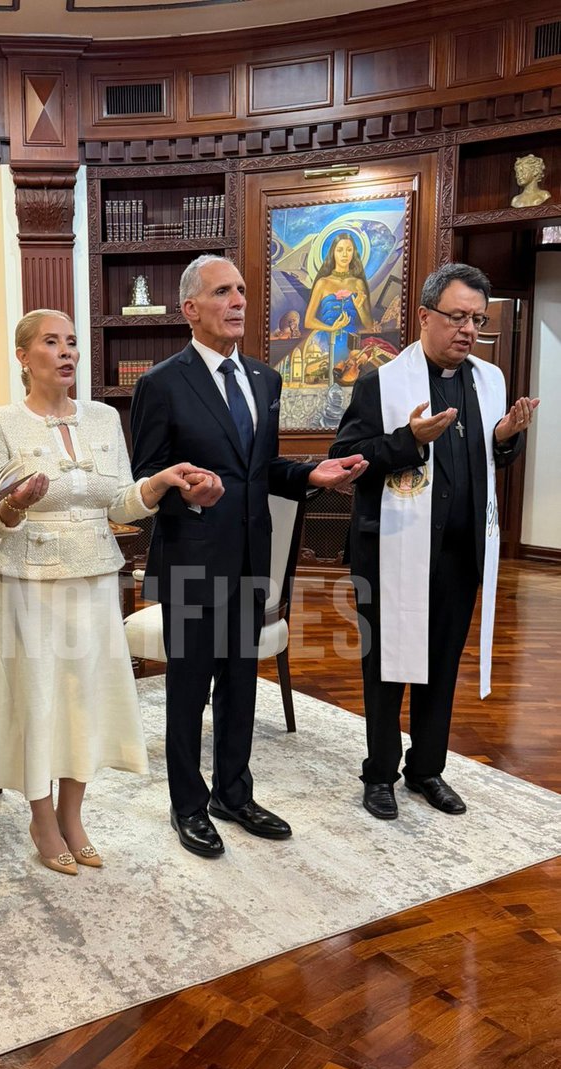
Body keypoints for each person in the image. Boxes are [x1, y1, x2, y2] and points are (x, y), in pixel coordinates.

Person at [131, 255, 367, 858]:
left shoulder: (265, 379)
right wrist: (187, 489)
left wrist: (313, 472)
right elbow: (146, 479)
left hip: (247, 558)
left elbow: (259, 470)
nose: (238, 301)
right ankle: (189, 804)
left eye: (241, 290)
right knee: (188, 690)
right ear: (190, 309)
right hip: (189, 557)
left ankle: (233, 793)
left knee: (240, 683)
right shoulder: (161, 383)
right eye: (222, 292)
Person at [0, 309, 210, 874]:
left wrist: (157, 484)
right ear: (23, 356)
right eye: (51, 343)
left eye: (72, 343)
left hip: (99, 577)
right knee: (39, 697)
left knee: (85, 697)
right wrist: (16, 503)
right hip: (31, 583)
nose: (67, 352)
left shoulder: (104, 418)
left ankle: (73, 813)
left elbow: (120, 503)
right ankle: (40, 814)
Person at [329, 262, 539, 820]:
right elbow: (344, 460)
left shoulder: (489, 381)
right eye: (457, 317)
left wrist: (505, 440)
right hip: (391, 549)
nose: (468, 329)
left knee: (442, 665)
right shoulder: (382, 383)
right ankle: (379, 774)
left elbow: (488, 462)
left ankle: (426, 770)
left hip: (458, 554)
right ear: (425, 317)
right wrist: (405, 440)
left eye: (477, 318)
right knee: (387, 667)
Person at [304, 230, 374, 334]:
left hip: (352, 341)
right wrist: (331, 329)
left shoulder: (358, 283)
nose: (344, 254)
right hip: (326, 340)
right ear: (333, 253)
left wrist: (359, 308)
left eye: (349, 250)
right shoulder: (322, 283)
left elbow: (369, 326)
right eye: (340, 250)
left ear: (353, 253)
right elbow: (308, 322)